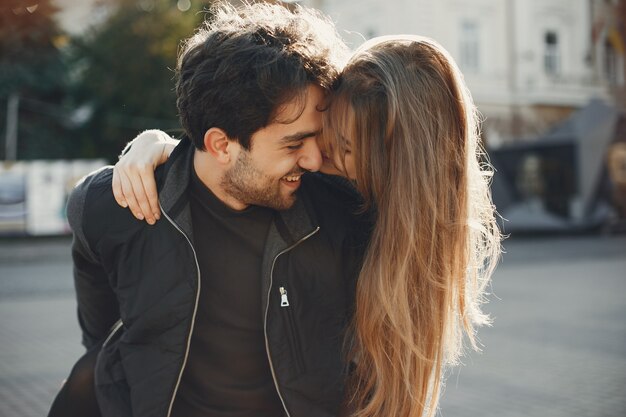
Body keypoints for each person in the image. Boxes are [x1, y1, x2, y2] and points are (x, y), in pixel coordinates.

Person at [114, 34, 501, 417]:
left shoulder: (383, 233)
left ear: (392, 170)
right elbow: (245, 135)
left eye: (346, 148)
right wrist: (163, 147)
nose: (318, 156)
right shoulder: (316, 180)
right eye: (326, 124)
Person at [54, 3, 367, 417]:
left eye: (317, 137)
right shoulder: (115, 205)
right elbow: (99, 322)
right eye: (293, 144)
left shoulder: (340, 211)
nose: (313, 159)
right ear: (221, 145)